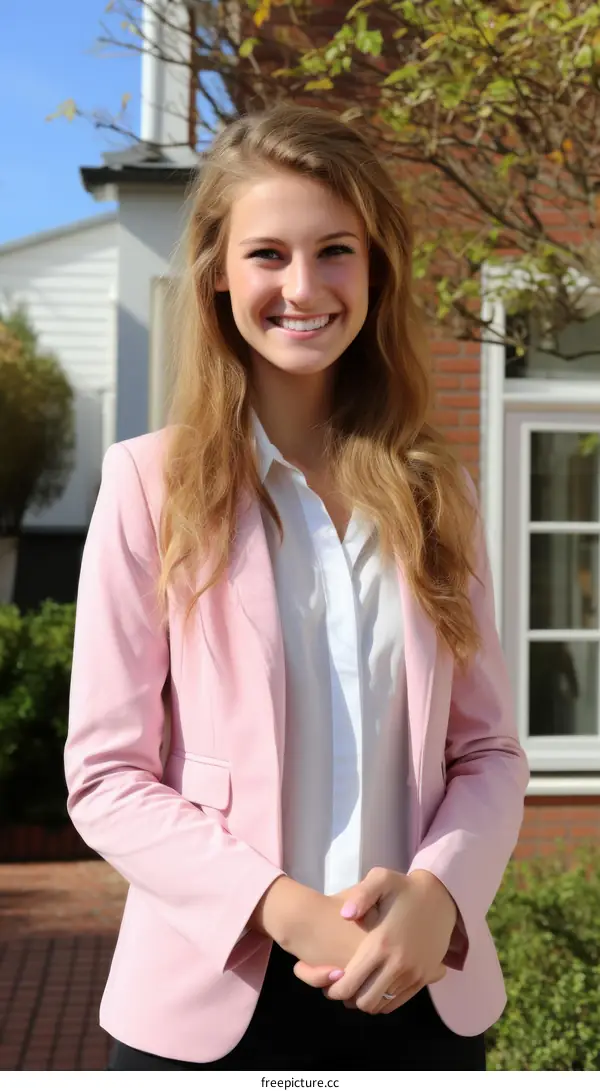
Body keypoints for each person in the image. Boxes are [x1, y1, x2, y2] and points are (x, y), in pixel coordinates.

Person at [64, 104, 529, 1073]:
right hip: (211, 1003)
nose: (304, 286)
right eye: (268, 253)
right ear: (218, 274)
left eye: (336, 251)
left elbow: (487, 750)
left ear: (377, 269)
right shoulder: (147, 485)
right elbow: (108, 774)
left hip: (422, 995)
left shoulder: (438, 492)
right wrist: (288, 911)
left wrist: (440, 893)